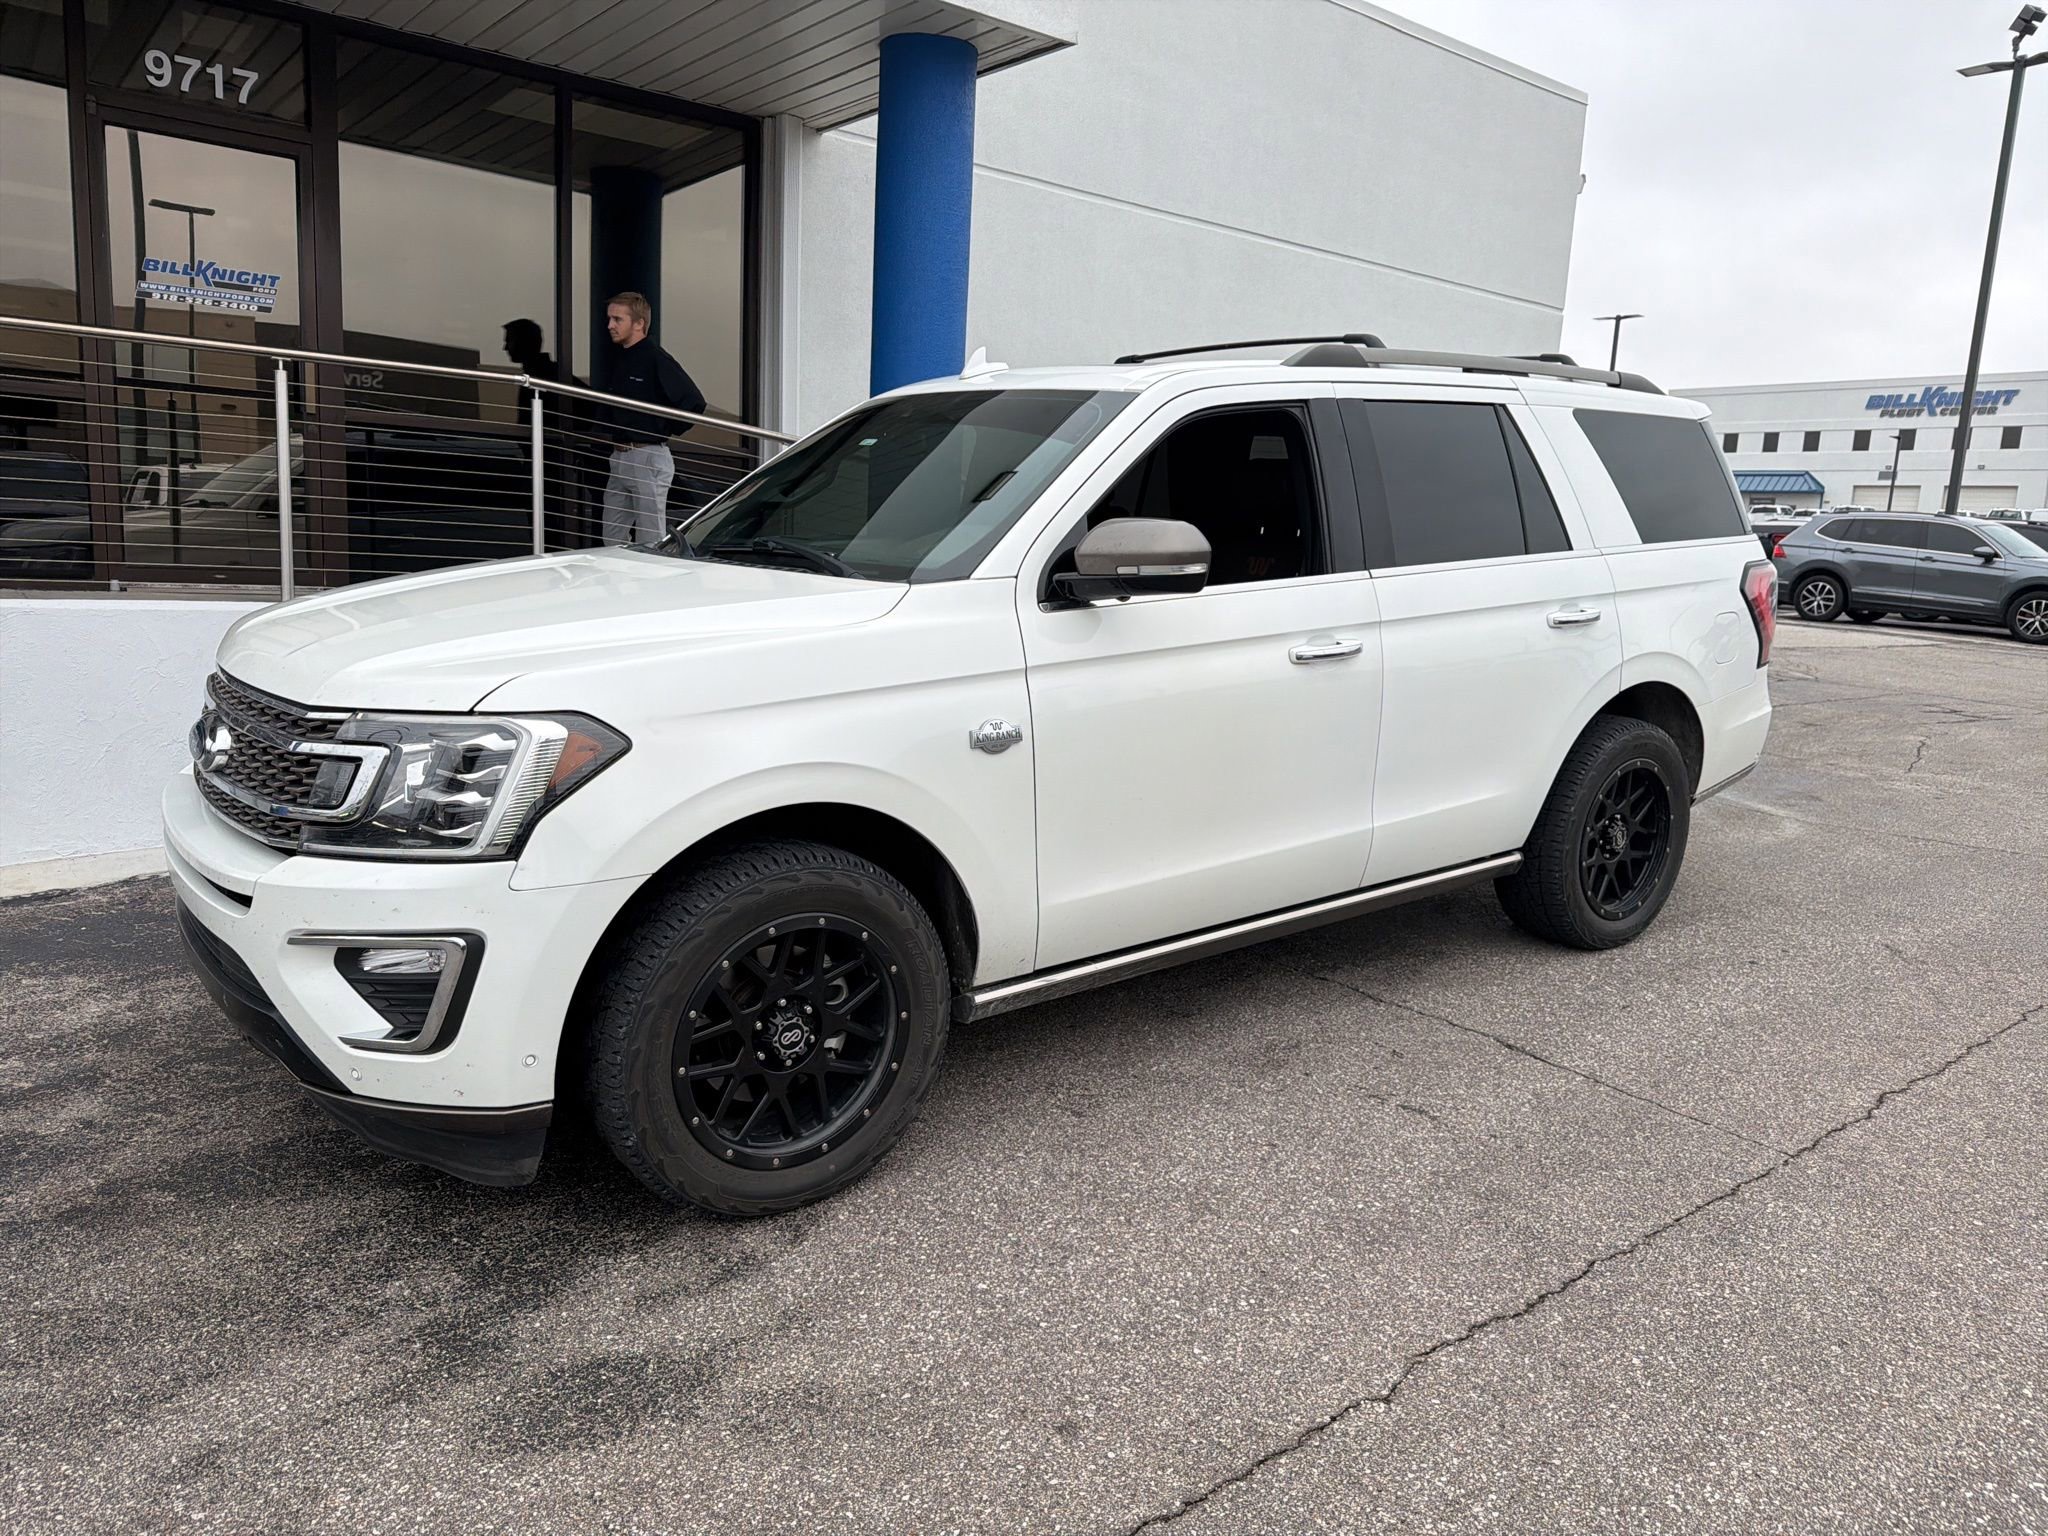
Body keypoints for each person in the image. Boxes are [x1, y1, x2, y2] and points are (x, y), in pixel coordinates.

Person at [596, 291, 706, 546]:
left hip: (648, 456)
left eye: (617, 319)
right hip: (620, 457)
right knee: (612, 538)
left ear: (638, 323)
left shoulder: (656, 358)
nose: (610, 325)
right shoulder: (621, 358)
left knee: (651, 539)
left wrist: (659, 429)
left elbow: (693, 401)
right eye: (609, 319)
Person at [503, 319, 595, 549]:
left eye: (509, 341)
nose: (505, 348)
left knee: (549, 527)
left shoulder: (548, 374)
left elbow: (591, 406)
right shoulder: (540, 373)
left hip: (551, 466)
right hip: (544, 464)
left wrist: (569, 443)